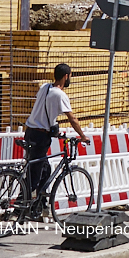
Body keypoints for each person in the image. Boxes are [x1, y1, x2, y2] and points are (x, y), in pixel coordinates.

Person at [24, 63, 89, 199]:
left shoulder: (44, 87)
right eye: (70, 76)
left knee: (45, 170)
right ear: (66, 76)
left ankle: (39, 205)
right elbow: (72, 119)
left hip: (30, 132)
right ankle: (19, 209)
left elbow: (43, 109)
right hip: (40, 137)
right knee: (34, 175)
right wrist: (82, 136)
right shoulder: (60, 95)